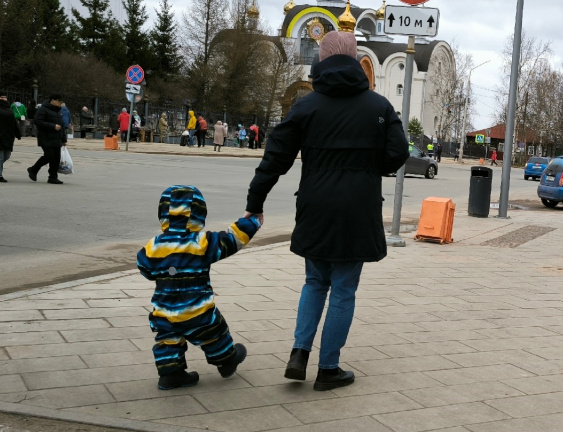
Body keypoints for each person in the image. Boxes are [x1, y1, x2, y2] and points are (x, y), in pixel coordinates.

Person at [245, 31, 409, 391]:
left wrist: (254, 203)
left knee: (314, 281)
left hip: (315, 204)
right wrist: (369, 168)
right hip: (358, 208)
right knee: (344, 288)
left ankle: (299, 354)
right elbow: (399, 152)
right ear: (355, 60)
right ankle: (328, 368)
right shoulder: (378, 106)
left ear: (321, 60)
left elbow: (275, 159)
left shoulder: (306, 106)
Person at [137, 185, 262, 390]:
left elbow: (144, 267)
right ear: (198, 214)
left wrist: (163, 271)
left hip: (165, 310)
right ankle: (226, 360)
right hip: (197, 308)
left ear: (163, 214)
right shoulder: (202, 242)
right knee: (214, 332)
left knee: (168, 340)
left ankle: (171, 374)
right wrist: (253, 222)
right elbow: (232, 239)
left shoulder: (153, 246)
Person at [28, 93, 67, 185]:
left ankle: (53, 177)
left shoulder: (58, 111)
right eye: (59, 101)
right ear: (53, 100)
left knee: (56, 158)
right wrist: (52, 126)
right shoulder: (43, 109)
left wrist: (64, 139)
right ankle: (33, 169)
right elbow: (37, 121)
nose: (60, 103)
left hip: (57, 138)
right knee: (49, 155)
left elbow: (62, 125)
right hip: (46, 137)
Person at [0, 93, 22, 183]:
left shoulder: (9, 109)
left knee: (7, 155)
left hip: (8, 136)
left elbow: (14, 123)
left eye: (5, 97)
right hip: (0, 136)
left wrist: (18, 134)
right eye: (1, 97)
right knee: (0, 157)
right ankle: (0, 175)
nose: (3, 98)